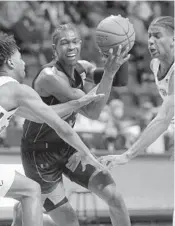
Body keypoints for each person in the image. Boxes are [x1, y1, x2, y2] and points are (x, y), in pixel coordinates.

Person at [13, 23, 131, 226]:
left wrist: (120, 50)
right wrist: (110, 73)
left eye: (75, 41)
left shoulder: (82, 67)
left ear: (81, 43)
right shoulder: (49, 77)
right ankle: (27, 208)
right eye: (64, 43)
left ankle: (26, 207)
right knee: (70, 222)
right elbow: (92, 111)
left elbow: (120, 79)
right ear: (54, 48)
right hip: (39, 154)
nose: (71, 47)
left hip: (68, 146)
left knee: (116, 198)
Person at [0, 31, 104, 226]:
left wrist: (77, 103)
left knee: (29, 190)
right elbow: (59, 126)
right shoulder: (18, 90)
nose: (25, 64)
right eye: (20, 59)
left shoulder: (8, 94)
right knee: (31, 191)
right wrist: (88, 154)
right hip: (42, 151)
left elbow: (42, 115)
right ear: (10, 63)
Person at [99, 16, 174, 166]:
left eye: (157, 36)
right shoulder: (155, 65)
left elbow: (163, 120)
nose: (151, 41)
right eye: (150, 36)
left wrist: (127, 155)